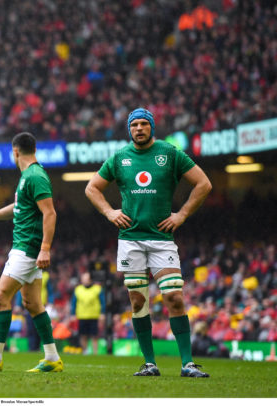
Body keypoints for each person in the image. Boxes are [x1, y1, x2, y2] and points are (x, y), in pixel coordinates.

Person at [85, 108, 212, 378]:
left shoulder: (170, 153)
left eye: (144, 124)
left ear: (151, 127)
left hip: (162, 239)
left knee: (174, 297)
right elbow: (91, 187)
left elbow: (203, 184)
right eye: (134, 125)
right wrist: (109, 212)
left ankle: (188, 363)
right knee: (137, 301)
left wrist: (182, 214)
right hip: (130, 239)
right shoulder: (120, 157)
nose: (139, 129)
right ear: (129, 129)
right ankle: (150, 363)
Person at [0, 132, 64, 373]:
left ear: (15, 151)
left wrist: (44, 248)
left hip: (27, 249)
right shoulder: (29, 177)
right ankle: (52, 357)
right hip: (28, 248)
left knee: (0, 297)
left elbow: (50, 213)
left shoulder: (35, 176)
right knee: (33, 303)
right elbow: (21, 207)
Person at [71, 272, 104, 355]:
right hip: (82, 316)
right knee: (83, 335)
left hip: (94, 316)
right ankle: (85, 351)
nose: (85, 280)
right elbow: (73, 303)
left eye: (86, 279)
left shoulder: (97, 289)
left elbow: (103, 302)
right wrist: (73, 314)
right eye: (83, 279)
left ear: (90, 279)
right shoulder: (78, 289)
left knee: (94, 336)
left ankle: (95, 353)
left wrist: (102, 313)